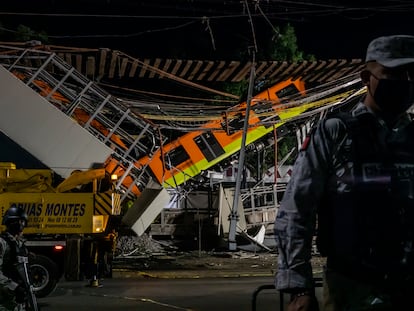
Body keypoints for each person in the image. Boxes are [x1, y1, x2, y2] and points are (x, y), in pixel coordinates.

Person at [274, 34, 414, 311]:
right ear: (366, 77)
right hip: (349, 287)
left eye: (411, 74)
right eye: (393, 74)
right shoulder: (335, 132)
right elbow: (296, 209)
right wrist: (298, 287)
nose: (405, 83)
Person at [0, 206, 31, 311]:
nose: (23, 226)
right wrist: (14, 287)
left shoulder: (19, 244)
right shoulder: (2, 243)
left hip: (17, 301)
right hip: (5, 300)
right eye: (21, 222)